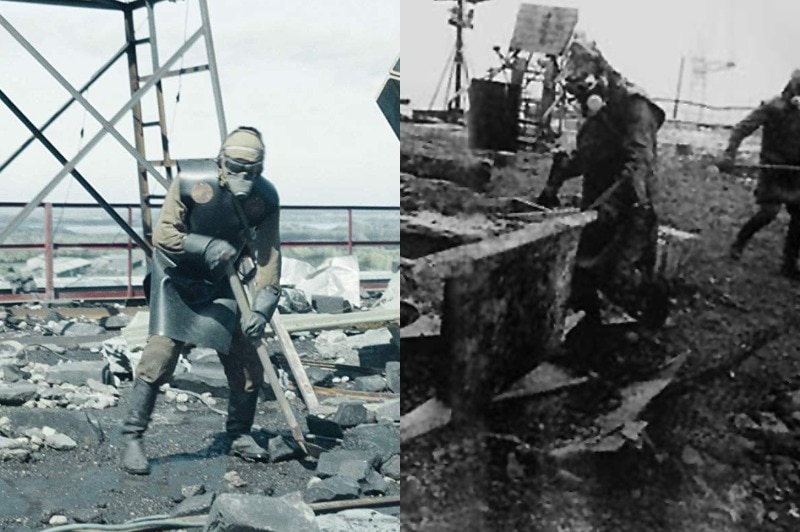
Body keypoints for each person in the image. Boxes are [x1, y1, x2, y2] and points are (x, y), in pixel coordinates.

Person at [121, 126, 282, 475]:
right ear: (220, 162)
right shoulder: (192, 180)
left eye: (251, 172)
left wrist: (263, 306)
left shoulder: (265, 200)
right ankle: (133, 436)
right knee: (159, 356)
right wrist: (206, 245)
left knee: (246, 358)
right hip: (178, 276)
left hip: (223, 280)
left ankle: (239, 434)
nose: (243, 177)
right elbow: (164, 234)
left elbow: (268, 255)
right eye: (235, 169)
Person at [535, 34, 669, 329]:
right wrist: (554, 183)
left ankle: (648, 320)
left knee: (621, 275)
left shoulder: (635, 106)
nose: (582, 102)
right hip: (597, 199)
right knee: (581, 267)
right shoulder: (598, 111)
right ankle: (589, 330)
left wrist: (610, 205)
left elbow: (639, 163)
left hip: (633, 200)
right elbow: (588, 155)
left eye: (584, 93)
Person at [717, 70, 800, 280]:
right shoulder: (772, 107)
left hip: (796, 173)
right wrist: (729, 155)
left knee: (799, 217)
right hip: (773, 170)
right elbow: (741, 129)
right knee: (768, 213)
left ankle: (788, 264)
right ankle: (739, 243)